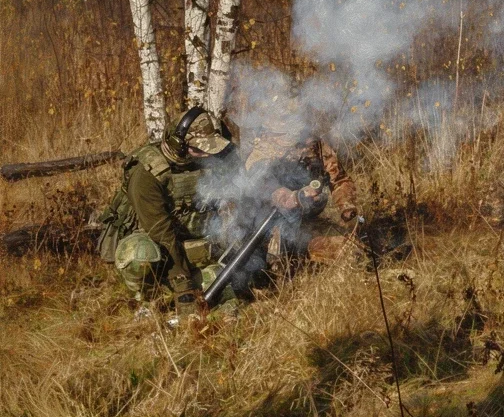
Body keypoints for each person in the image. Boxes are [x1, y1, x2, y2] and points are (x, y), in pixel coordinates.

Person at [97, 107, 235, 321]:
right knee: (139, 254)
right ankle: (149, 298)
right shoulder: (147, 174)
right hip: (157, 250)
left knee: (225, 281)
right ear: (178, 144)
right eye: (199, 150)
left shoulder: (203, 161)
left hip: (191, 247)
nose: (207, 155)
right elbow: (161, 233)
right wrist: (184, 289)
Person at [239, 126, 361, 266]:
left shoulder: (315, 144)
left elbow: (339, 179)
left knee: (350, 251)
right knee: (276, 264)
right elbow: (274, 192)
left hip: (305, 220)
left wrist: (346, 205)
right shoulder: (263, 151)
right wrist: (297, 197)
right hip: (271, 225)